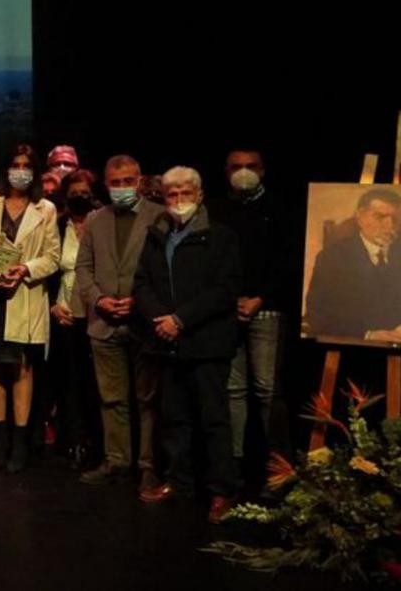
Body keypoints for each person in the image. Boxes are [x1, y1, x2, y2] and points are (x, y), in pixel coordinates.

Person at [133, 166, 241, 525]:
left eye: (185, 193)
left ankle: (221, 491)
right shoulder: (156, 235)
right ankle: (180, 483)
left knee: (212, 420)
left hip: (205, 341)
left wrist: (181, 320)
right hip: (168, 343)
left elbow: (223, 290)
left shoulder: (220, 236)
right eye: (172, 195)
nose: (179, 201)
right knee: (174, 419)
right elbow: (143, 283)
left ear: (200, 195)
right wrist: (161, 320)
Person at [0, 145, 61, 473]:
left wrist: (25, 269)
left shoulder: (45, 208)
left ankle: (20, 441)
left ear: (34, 171)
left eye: (26, 166)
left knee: (20, 369)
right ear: (5, 170)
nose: (20, 170)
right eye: (14, 165)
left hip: (23, 297)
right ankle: (1, 438)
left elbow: (52, 256)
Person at [74, 156, 165, 489]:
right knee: (111, 397)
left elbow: (166, 270)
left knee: (147, 399)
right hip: (104, 321)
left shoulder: (159, 216)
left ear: (139, 181)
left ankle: (147, 464)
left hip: (144, 323)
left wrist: (140, 303)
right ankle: (117, 462)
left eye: (129, 181)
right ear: (106, 183)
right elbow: (83, 268)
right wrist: (98, 299)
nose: (123, 187)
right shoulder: (96, 219)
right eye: (116, 182)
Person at [207, 148, 293, 477]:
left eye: (251, 166)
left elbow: (287, 262)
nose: (244, 172)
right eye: (236, 167)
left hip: (266, 310)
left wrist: (260, 298)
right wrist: (229, 300)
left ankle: (279, 468)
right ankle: (235, 464)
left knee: (267, 389)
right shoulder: (215, 210)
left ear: (264, 169)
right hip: (226, 311)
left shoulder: (279, 209)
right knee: (233, 390)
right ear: (225, 171)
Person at [46, 170, 102, 470]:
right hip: (65, 311)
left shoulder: (103, 222)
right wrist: (53, 305)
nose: (78, 195)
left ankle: (99, 442)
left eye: (84, 191)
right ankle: (73, 440)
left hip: (99, 313)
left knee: (97, 383)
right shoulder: (57, 225)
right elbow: (49, 271)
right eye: (73, 191)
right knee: (68, 381)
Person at [305, 187, 401, 341]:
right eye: (380, 217)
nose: (389, 226)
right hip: (355, 343)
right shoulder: (332, 258)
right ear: (360, 216)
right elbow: (318, 315)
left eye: (395, 219)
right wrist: (368, 335)